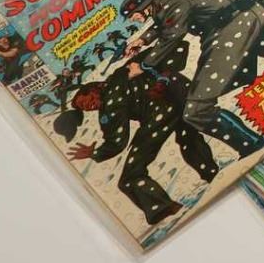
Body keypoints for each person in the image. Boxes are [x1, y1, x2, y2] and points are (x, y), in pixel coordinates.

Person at [122, 0, 264, 156]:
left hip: (232, 31)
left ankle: (251, 144)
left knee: (196, 110)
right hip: (253, 13)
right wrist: (142, 40)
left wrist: (143, 65)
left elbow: (172, 33)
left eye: (133, 15)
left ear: (143, 6)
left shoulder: (171, 1)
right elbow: (167, 21)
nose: (134, 19)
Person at [66, 59, 221, 227]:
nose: (89, 106)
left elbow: (117, 141)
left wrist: (95, 153)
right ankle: (212, 173)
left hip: (161, 112)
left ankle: (162, 208)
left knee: (130, 176)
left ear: (94, 89)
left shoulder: (111, 99)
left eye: (86, 101)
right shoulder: (119, 76)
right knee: (187, 137)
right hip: (175, 99)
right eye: (84, 108)